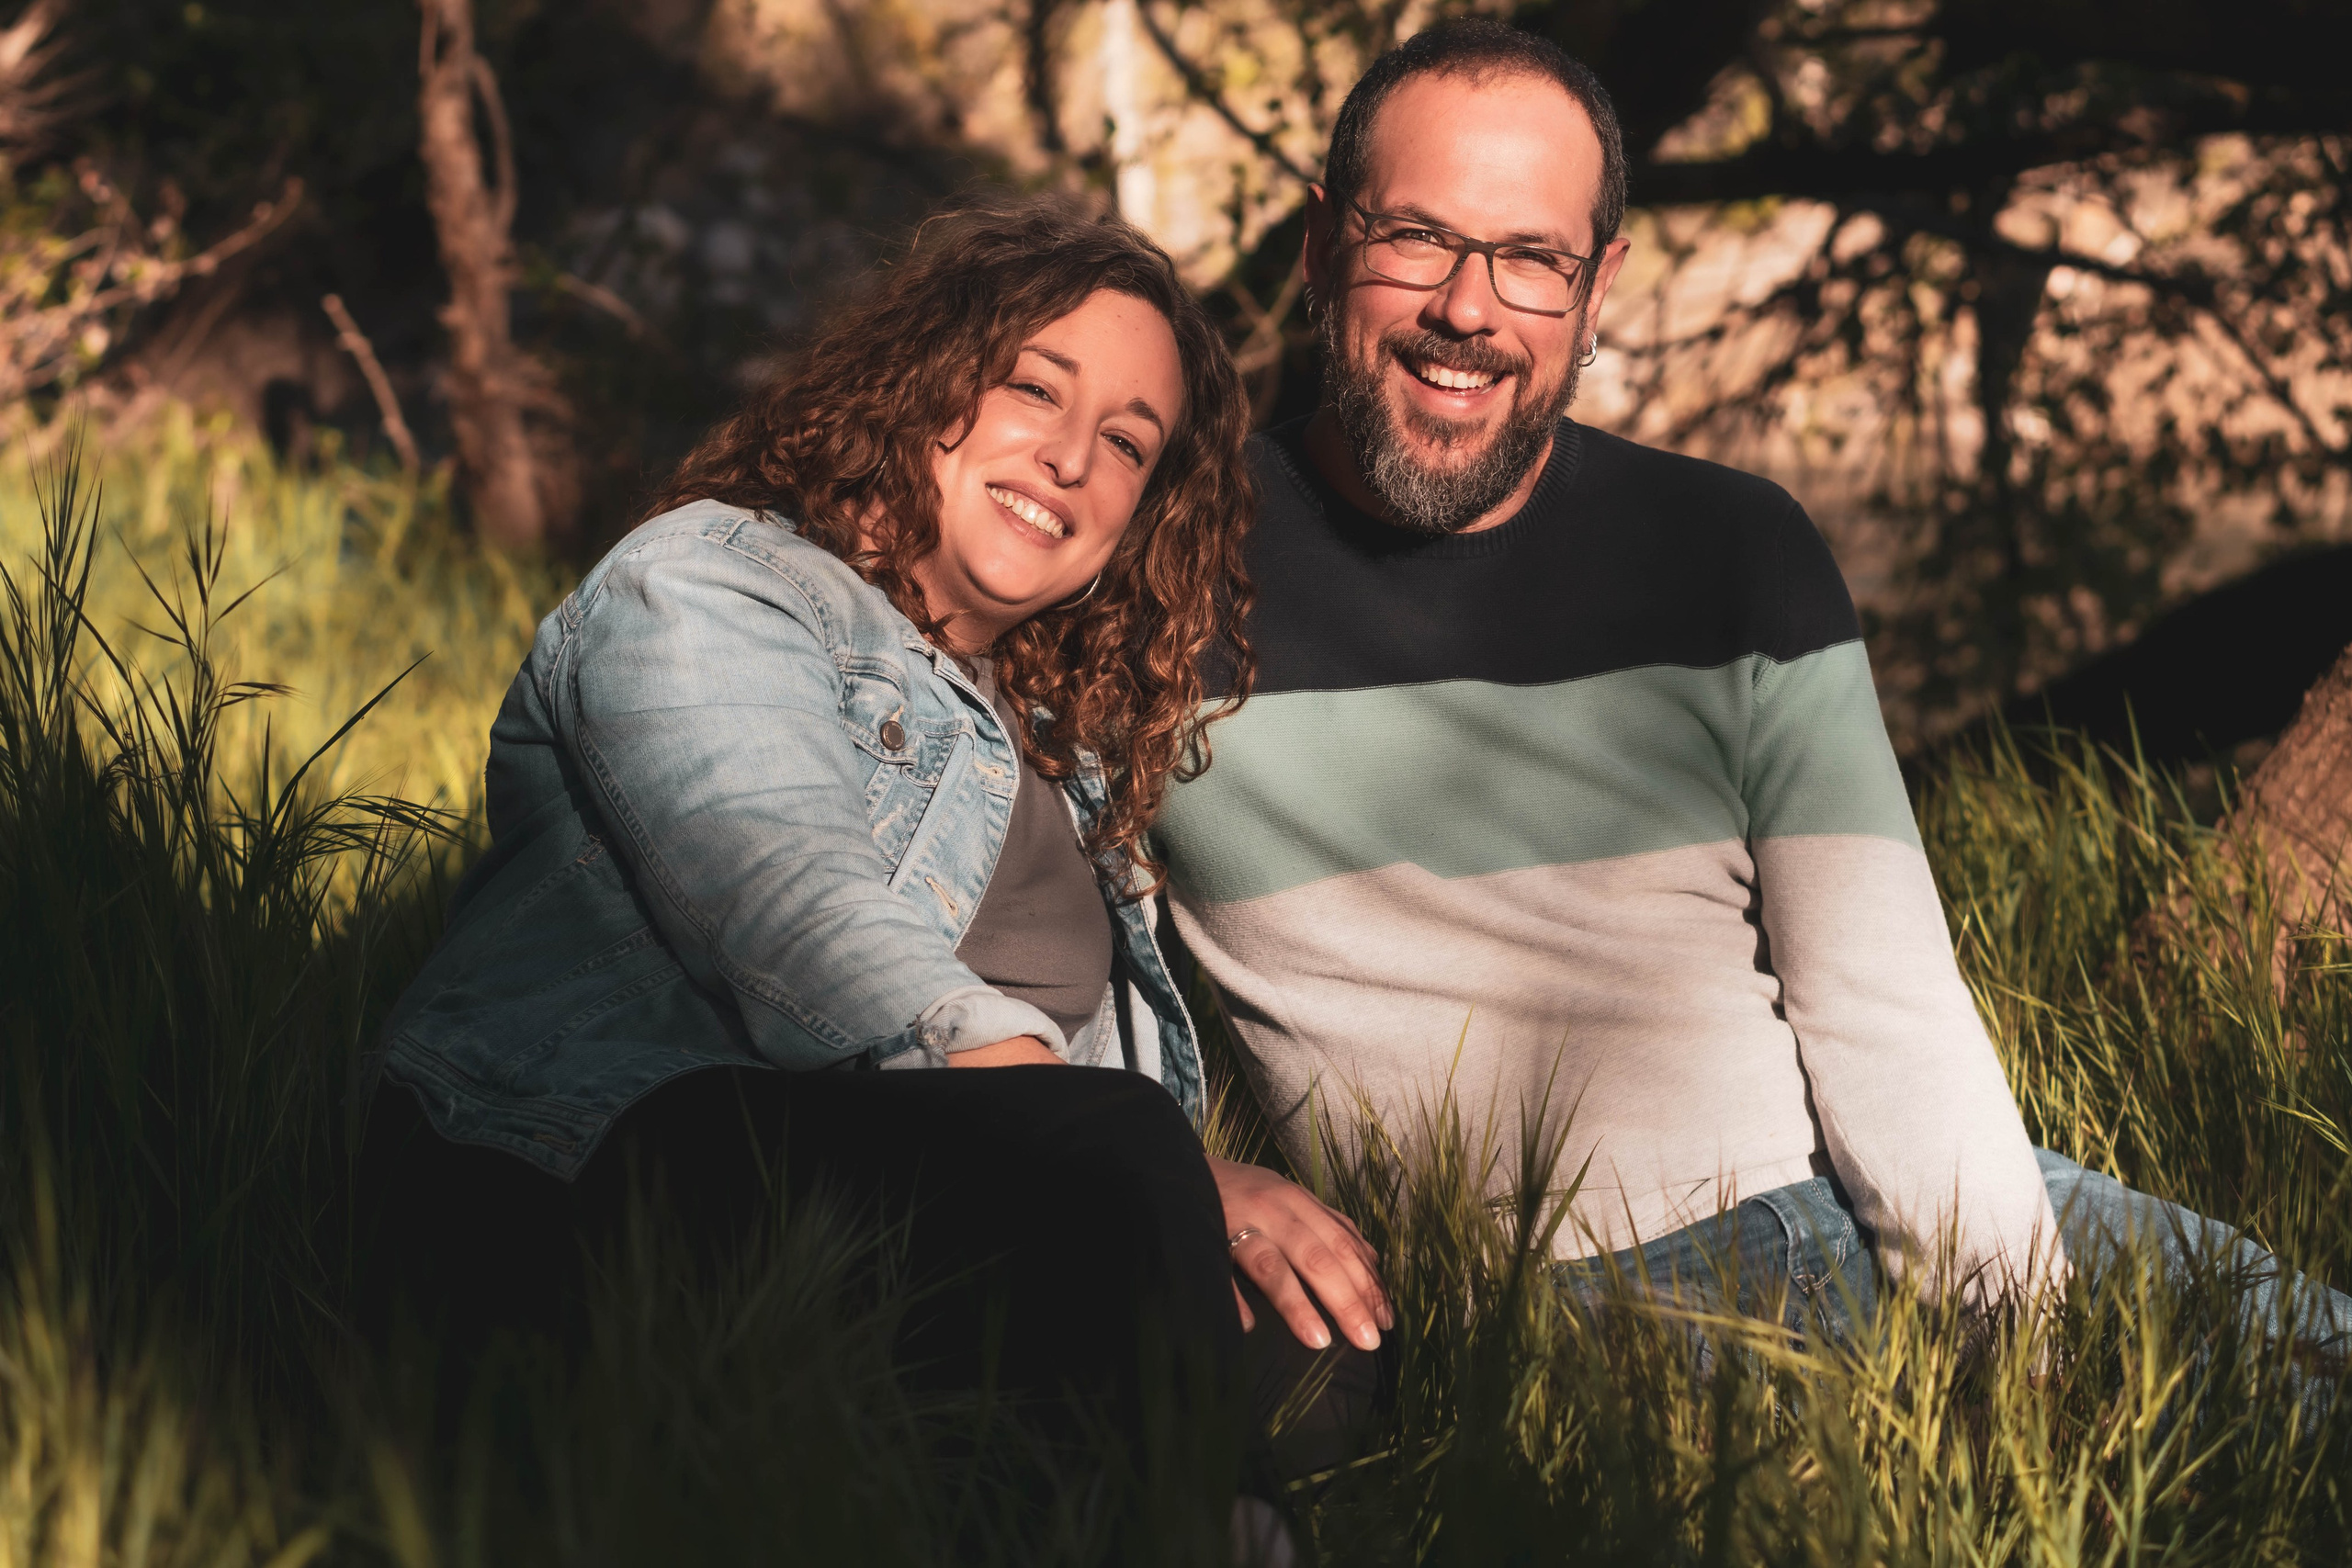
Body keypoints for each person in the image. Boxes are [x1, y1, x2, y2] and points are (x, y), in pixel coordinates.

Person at [1150, 19, 2349, 1360]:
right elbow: (979, 930)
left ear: (1598, 290)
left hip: (1917, 1196)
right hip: (1596, 1307)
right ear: (1324, 244)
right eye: (1415, 237)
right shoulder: (1159, 566)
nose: (1469, 310)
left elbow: (1881, 995)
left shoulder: (1734, 549)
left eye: (1534, 260)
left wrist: (2024, 1334)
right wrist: (1181, 1172)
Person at [361, 197, 1388, 1502]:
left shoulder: (1066, 763)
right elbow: (798, 916)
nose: (1072, 458)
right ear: (924, 381)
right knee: (1123, 1184)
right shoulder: (709, 581)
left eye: (1127, 443)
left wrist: (1194, 1201)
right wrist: (1163, 1172)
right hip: (595, 1176)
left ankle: (1042, 1500)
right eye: (1034, 387)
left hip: (938, 1214)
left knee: (1327, 1346)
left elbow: (1088, 1120)